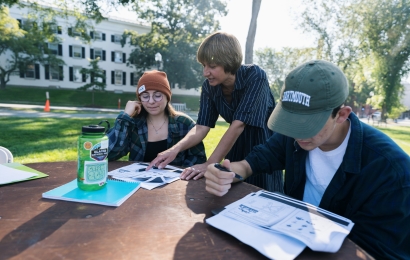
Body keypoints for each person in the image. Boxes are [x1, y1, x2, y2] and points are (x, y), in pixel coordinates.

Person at [204, 60, 410, 259]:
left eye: (307, 124)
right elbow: (257, 160)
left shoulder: (391, 171)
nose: (297, 134)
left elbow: (377, 250)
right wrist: (230, 172)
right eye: (291, 121)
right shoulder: (295, 137)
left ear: (341, 114)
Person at [148, 31, 283, 192]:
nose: (205, 72)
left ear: (229, 62)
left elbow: (239, 124)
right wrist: (174, 150)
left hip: (263, 148)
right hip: (235, 147)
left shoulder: (255, 76)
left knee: (263, 199)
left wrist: (209, 164)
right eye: (204, 66)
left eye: (212, 66)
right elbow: (201, 127)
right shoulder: (209, 87)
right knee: (231, 196)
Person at [107, 70, 206, 167]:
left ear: (167, 97)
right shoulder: (133, 124)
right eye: (145, 96)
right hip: (139, 182)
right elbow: (108, 154)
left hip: (176, 182)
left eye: (157, 95)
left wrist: (179, 176)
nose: (151, 101)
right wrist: (125, 117)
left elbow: (198, 158)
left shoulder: (184, 123)